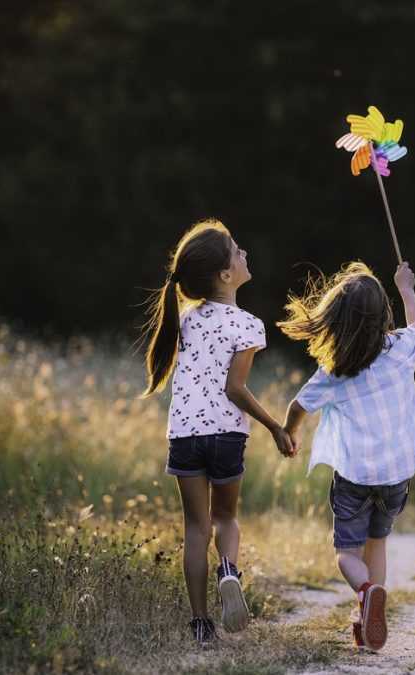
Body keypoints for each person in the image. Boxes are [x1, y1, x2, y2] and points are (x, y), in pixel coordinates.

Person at [142, 219, 295, 645]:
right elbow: (235, 389)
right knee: (226, 517)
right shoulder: (248, 324)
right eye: (238, 252)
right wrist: (274, 426)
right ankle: (229, 570)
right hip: (227, 434)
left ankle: (200, 625)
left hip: (185, 435)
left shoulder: (183, 319)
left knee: (195, 528)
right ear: (226, 275)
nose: (246, 255)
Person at [279, 261, 415, 652]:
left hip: (355, 478)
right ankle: (371, 608)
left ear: (337, 319)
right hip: (396, 475)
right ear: (382, 314)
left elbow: (299, 405)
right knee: (376, 545)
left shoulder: (336, 369)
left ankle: (365, 591)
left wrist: (289, 433)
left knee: (347, 553)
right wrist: (406, 287)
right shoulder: (401, 349)